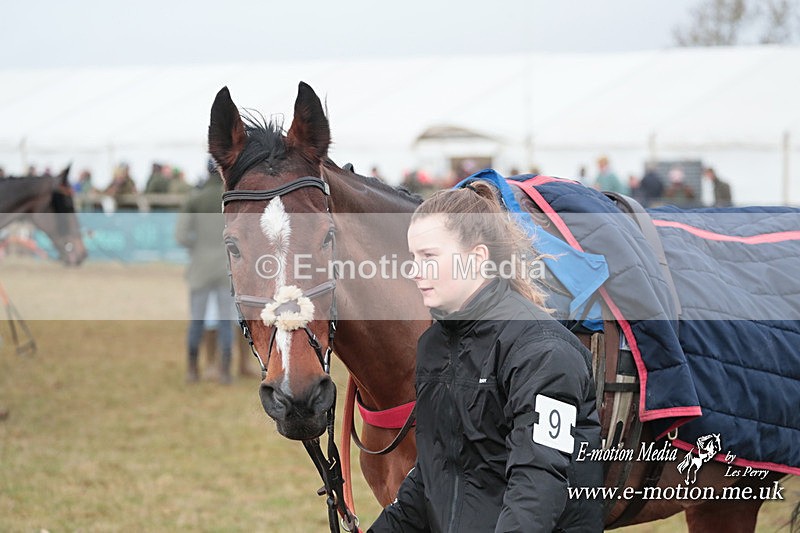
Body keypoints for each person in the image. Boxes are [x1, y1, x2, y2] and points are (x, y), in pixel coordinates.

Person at [369, 181, 603, 532]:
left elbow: (538, 484)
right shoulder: (433, 346)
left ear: (477, 258)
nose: (414, 271)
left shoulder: (543, 351)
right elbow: (432, 477)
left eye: (429, 257)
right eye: (413, 258)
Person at [175, 160, 235, 384]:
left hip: (199, 268)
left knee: (197, 321)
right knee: (225, 321)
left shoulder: (194, 198)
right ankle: (226, 372)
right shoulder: (228, 197)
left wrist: (196, 247)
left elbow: (181, 236)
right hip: (224, 268)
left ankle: (192, 369)